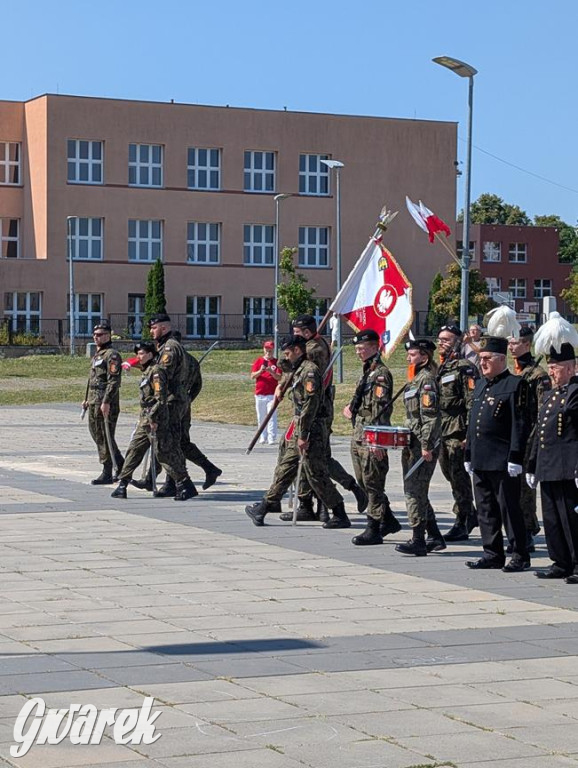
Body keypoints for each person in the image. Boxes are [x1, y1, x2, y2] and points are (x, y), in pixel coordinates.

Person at [245, 335, 350, 529]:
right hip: (302, 428)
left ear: (297, 351)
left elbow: (310, 405)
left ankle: (339, 512)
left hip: (310, 430)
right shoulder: (298, 369)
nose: (285, 356)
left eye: (287, 352)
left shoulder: (309, 372)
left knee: (315, 474)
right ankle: (264, 507)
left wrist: (303, 435)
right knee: (286, 468)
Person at [289, 314, 368, 520]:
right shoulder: (314, 343)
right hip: (312, 410)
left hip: (317, 411)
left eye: (296, 335)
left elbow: (288, 364)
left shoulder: (314, 348)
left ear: (306, 333)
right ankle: (308, 503)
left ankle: (345, 492)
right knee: (309, 459)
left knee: (318, 459)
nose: (294, 339)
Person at [464, 336, 531, 571]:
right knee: (485, 509)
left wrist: (515, 456)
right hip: (481, 458)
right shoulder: (481, 385)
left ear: (501, 359)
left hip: (502, 459)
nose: (482, 363)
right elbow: (474, 422)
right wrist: (469, 454)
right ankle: (492, 553)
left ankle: (520, 554)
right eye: (480, 358)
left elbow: (520, 424)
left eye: (486, 359)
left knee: (509, 509)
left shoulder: (515, 385)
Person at [343, 329, 401, 545]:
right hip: (360, 432)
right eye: (356, 348)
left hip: (371, 435)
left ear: (375, 347)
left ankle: (373, 527)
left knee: (373, 483)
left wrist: (377, 440)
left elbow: (380, 409)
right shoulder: (367, 371)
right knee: (363, 480)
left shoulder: (380, 374)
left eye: (362, 348)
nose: (358, 352)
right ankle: (389, 520)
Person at [528, 343, 578, 583]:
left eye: (556, 367)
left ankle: (577, 563)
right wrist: (532, 464)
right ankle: (560, 562)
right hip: (548, 465)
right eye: (550, 367)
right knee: (551, 518)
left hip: (568, 466)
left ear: (570, 368)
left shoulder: (575, 392)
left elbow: (571, 413)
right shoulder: (550, 394)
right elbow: (540, 431)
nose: (551, 372)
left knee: (570, 517)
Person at [396, 338, 443, 557]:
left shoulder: (426, 381)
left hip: (422, 445)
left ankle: (418, 540)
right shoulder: (415, 379)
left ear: (424, 357)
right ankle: (434, 535)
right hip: (412, 442)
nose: (408, 358)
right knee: (418, 489)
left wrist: (426, 445)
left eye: (413, 354)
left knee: (414, 491)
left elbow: (430, 417)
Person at [507, 325, 550, 551]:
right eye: (510, 343)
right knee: (513, 488)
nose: (511, 347)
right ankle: (519, 530)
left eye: (515, 343)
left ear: (526, 344)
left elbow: (542, 410)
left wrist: (534, 441)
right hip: (514, 435)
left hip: (529, 437)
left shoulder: (538, 375)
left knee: (525, 490)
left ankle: (528, 530)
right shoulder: (515, 372)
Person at [147, 313, 197, 501]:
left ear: (164, 328)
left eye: (154, 327)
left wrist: (156, 403)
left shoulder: (169, 349)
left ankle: (184, 484)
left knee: (168, 445)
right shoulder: (167, 347)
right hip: (175, 400)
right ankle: (172, 483)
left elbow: (162, 376)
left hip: (171, 402)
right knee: (171, 442)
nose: (152, 331)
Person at [110, 342, 170, 499]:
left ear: (150, 354)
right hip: (145, 418)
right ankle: (123, 484)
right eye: (138, 354)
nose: (138, 357)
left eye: (142, 353)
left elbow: (160, 398)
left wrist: (153, 418)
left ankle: (182, 483)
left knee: (164, 454)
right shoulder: (147, 371)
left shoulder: (156, 371)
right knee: (134, 449)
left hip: (155, 418)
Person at [436, 324, 479, 541]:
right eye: (440, 339)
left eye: (447, 339)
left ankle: (463, 518)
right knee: (449, 474)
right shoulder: (442, 367)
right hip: (442, 430)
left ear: (458, 342)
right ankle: (468, 513)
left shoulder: (465, 368)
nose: (442, 343)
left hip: (457, 430)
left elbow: (472, 403)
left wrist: (468, 435)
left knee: (458, 476)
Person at [83, 321, 124, 485]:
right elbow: (92, 379)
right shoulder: (98, 354)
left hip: (106, 402)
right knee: (97, 434)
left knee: (105, 435)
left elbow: (113, 381)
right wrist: (87, 398)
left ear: (108, 335)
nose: (96, 337)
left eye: (100, 334)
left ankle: (108, 469)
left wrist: (106, 401)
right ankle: (120, 463)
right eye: (95, 334)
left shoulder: (112, 355)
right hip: (94, 400)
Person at [251, 340, 281, 445]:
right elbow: (252, 375)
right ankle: (262, 436)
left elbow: (279, 377)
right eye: (267, 350)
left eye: (270, 350)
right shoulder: (258, 361)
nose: (268, 352)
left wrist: (271, 372)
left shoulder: (276, 362)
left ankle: (272, 437)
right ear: (264, 349)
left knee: (271, 416)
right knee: (261, 416)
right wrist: (260, 371)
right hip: (260, 394)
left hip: (271, 394)